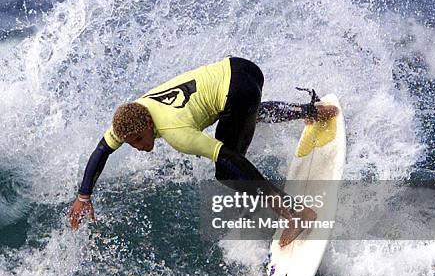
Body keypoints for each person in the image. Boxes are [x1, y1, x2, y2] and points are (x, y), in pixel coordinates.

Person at [68, 57, 337, 246]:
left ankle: (296, 213)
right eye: (131, 144)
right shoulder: (130, 117)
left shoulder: (176, 133)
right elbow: (102, 150)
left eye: (140, 139)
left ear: (149, 124)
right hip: (241, 68)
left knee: (225, 172)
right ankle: (312, 111)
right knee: (244, 113)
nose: (138, 146)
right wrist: (84, 196)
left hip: (239, 90)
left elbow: (230, 158)